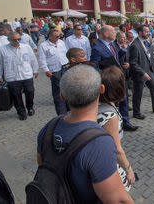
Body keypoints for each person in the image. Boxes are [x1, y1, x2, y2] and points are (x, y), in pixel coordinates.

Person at [36, 65, 134, 203]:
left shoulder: (49, 127)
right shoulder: (100, 143)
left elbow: (41, 164)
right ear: (101, 89)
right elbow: (118, 200)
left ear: (62, 96)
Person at [97, 66, 136, 191]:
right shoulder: (110, 116)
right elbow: (117, 150)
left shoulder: (97, 102)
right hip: (108, 163)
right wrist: (129, 169)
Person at [0, 32, 38, 120]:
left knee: (30, 92)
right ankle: (21, 112)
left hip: (26, 75)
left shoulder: (26, 47)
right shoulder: (2, 50)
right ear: (9, 40)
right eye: (15, 40)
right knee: (16, 96)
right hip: (12, 77)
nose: (17, 41)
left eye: (19, 39)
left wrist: (35, 70)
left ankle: (30, 107)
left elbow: (33, 59)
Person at [128, 25, 154, 120]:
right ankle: (136, 113)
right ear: (140, 33)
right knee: (138, 93)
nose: (148, 33)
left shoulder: (146, 42)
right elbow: (133, 63)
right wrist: (142, 73)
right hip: (140, 74)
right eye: (146, 31)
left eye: (148, 31)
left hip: (148, 70)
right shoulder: (134, 45)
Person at [38, 29, 69, 115]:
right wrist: (46, 70)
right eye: (57, 36)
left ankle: (68, 108)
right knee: (58, 92)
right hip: (55, 70)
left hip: (65, 67)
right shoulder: (43, 45)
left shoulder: (61, 43)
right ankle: (61, 113)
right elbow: (42, 59)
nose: (59, 38)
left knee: (67, 89)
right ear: (50, 37)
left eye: (59, 36)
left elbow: (66, 54)